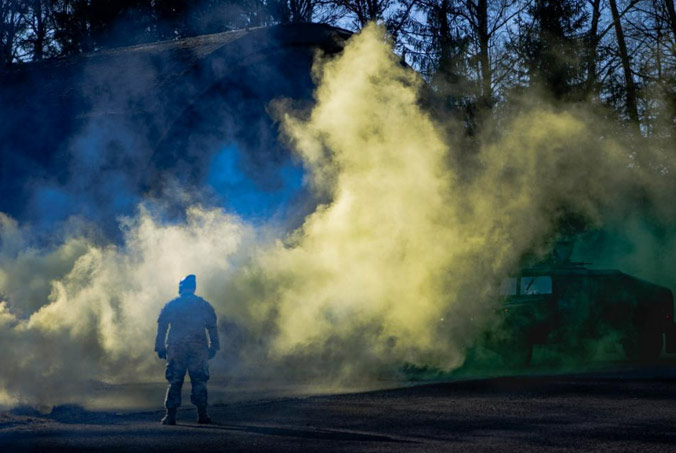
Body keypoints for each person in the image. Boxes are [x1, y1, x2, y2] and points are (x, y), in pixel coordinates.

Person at [154, 274, 220, 425]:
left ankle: (170, 416)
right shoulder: (203, 305)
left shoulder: (172, 305)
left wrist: (160, 347)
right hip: (198, 348)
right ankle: (202, 415)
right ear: (194, 288)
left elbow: (162, 327)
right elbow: (212, 327)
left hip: (177, 348)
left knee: (175, 381)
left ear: (181, 288)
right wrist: (214, 346)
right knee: (199, 381)